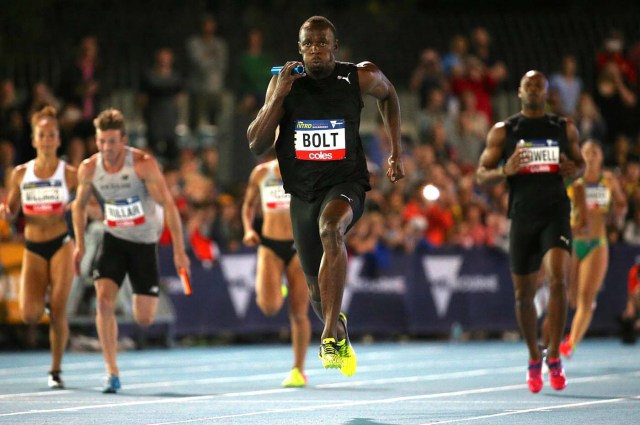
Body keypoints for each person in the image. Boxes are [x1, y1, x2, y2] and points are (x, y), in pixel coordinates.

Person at [247, 16, 404, 376]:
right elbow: (256, 143)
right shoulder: (284, 81)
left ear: (335, 46)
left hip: (345, 182)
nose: (315, 49)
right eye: (308, 43)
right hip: (302, 191)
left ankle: (330, 336)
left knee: (332, 229)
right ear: (299, 49)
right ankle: (339, 327)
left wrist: (396, 150)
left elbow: (390, 95)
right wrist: (279, 97)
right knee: (317, 295)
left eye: (322, 42)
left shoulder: (358, 76)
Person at [476, 70, 584, 393]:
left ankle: (554, 356)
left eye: (540, 85)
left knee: (558, 278)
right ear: (520, 92)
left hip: (555, 213)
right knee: (523, 295)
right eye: (528, 85)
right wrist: (504, 170)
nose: (534, 89)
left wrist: (574, 169)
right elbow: (481, 175)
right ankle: (534, 355)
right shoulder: (504, 130)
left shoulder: (562, 127)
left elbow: (581, 165)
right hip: (522, 216)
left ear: (546, 92)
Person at [72, 108, 190, 393]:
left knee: (144, 317)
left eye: (112, 142)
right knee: (103, 299)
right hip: (114, 238)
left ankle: (139, 304)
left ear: (123, 140)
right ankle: (111, 371)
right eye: (101, 142)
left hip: (144, 243)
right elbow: (77, 206)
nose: (106, 148)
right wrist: (80, 244)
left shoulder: (142, 164)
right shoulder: (89, 168)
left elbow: (169, 206)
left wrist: (178, 250)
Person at [0, 106, 77, 388]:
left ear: (58, 139)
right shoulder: (19, 174)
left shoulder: (69, 174)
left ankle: (55, 370)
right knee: (30, 314)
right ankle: (43, 299)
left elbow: (86, 203)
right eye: (41, 135)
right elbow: (12, 209)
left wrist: (85, 209)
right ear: (34, 140)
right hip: (33, 245)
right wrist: (6, 213)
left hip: (60, 244)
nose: (46, 139)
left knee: (58, 311)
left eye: (51, 134)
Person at [241, 152, 311, 387]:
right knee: (269, 307)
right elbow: (248, 206)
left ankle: (298, 370)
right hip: (270, 245)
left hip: (298, 246)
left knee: (299, 312)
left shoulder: (305, 170)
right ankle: (276, 286)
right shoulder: (262, 173)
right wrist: (248, 229)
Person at [563, 140, 627, 357]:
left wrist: (615, 201)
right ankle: (571, 334)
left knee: (585, 297)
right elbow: (566, 211)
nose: (590, 156)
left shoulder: (607, 180)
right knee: (570, 297)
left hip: (597, 244)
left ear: (600, 156)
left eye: (595, 152)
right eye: (587, 152)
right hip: (576, 243)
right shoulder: (575, 183)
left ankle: (570, 343)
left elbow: (621, 207)